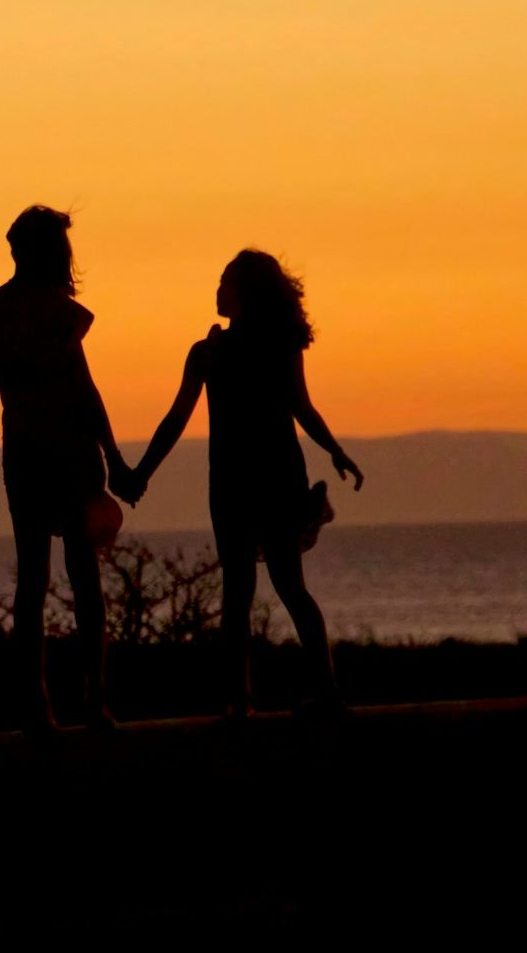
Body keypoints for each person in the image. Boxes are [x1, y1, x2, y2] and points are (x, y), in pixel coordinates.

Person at [128, 249, 364, 720]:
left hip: (246, 479)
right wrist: (142, 473)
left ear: (244, 293)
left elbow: (180, 418)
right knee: (279, 588)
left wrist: (141, 473)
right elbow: (300, 406)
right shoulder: (233, 349)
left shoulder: (216, 351)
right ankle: (302, 692)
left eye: (224, 283)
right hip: (264, 477)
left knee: (249, 591)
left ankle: (250, 698)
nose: (216, 291)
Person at [0, 206, 132, 734]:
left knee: (33, 577)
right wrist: (113, 456)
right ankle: (93, 699)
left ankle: (39, 704)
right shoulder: (62, 314)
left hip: (22, 453)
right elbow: (84, 393)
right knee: (83, 576)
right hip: (69, 452)